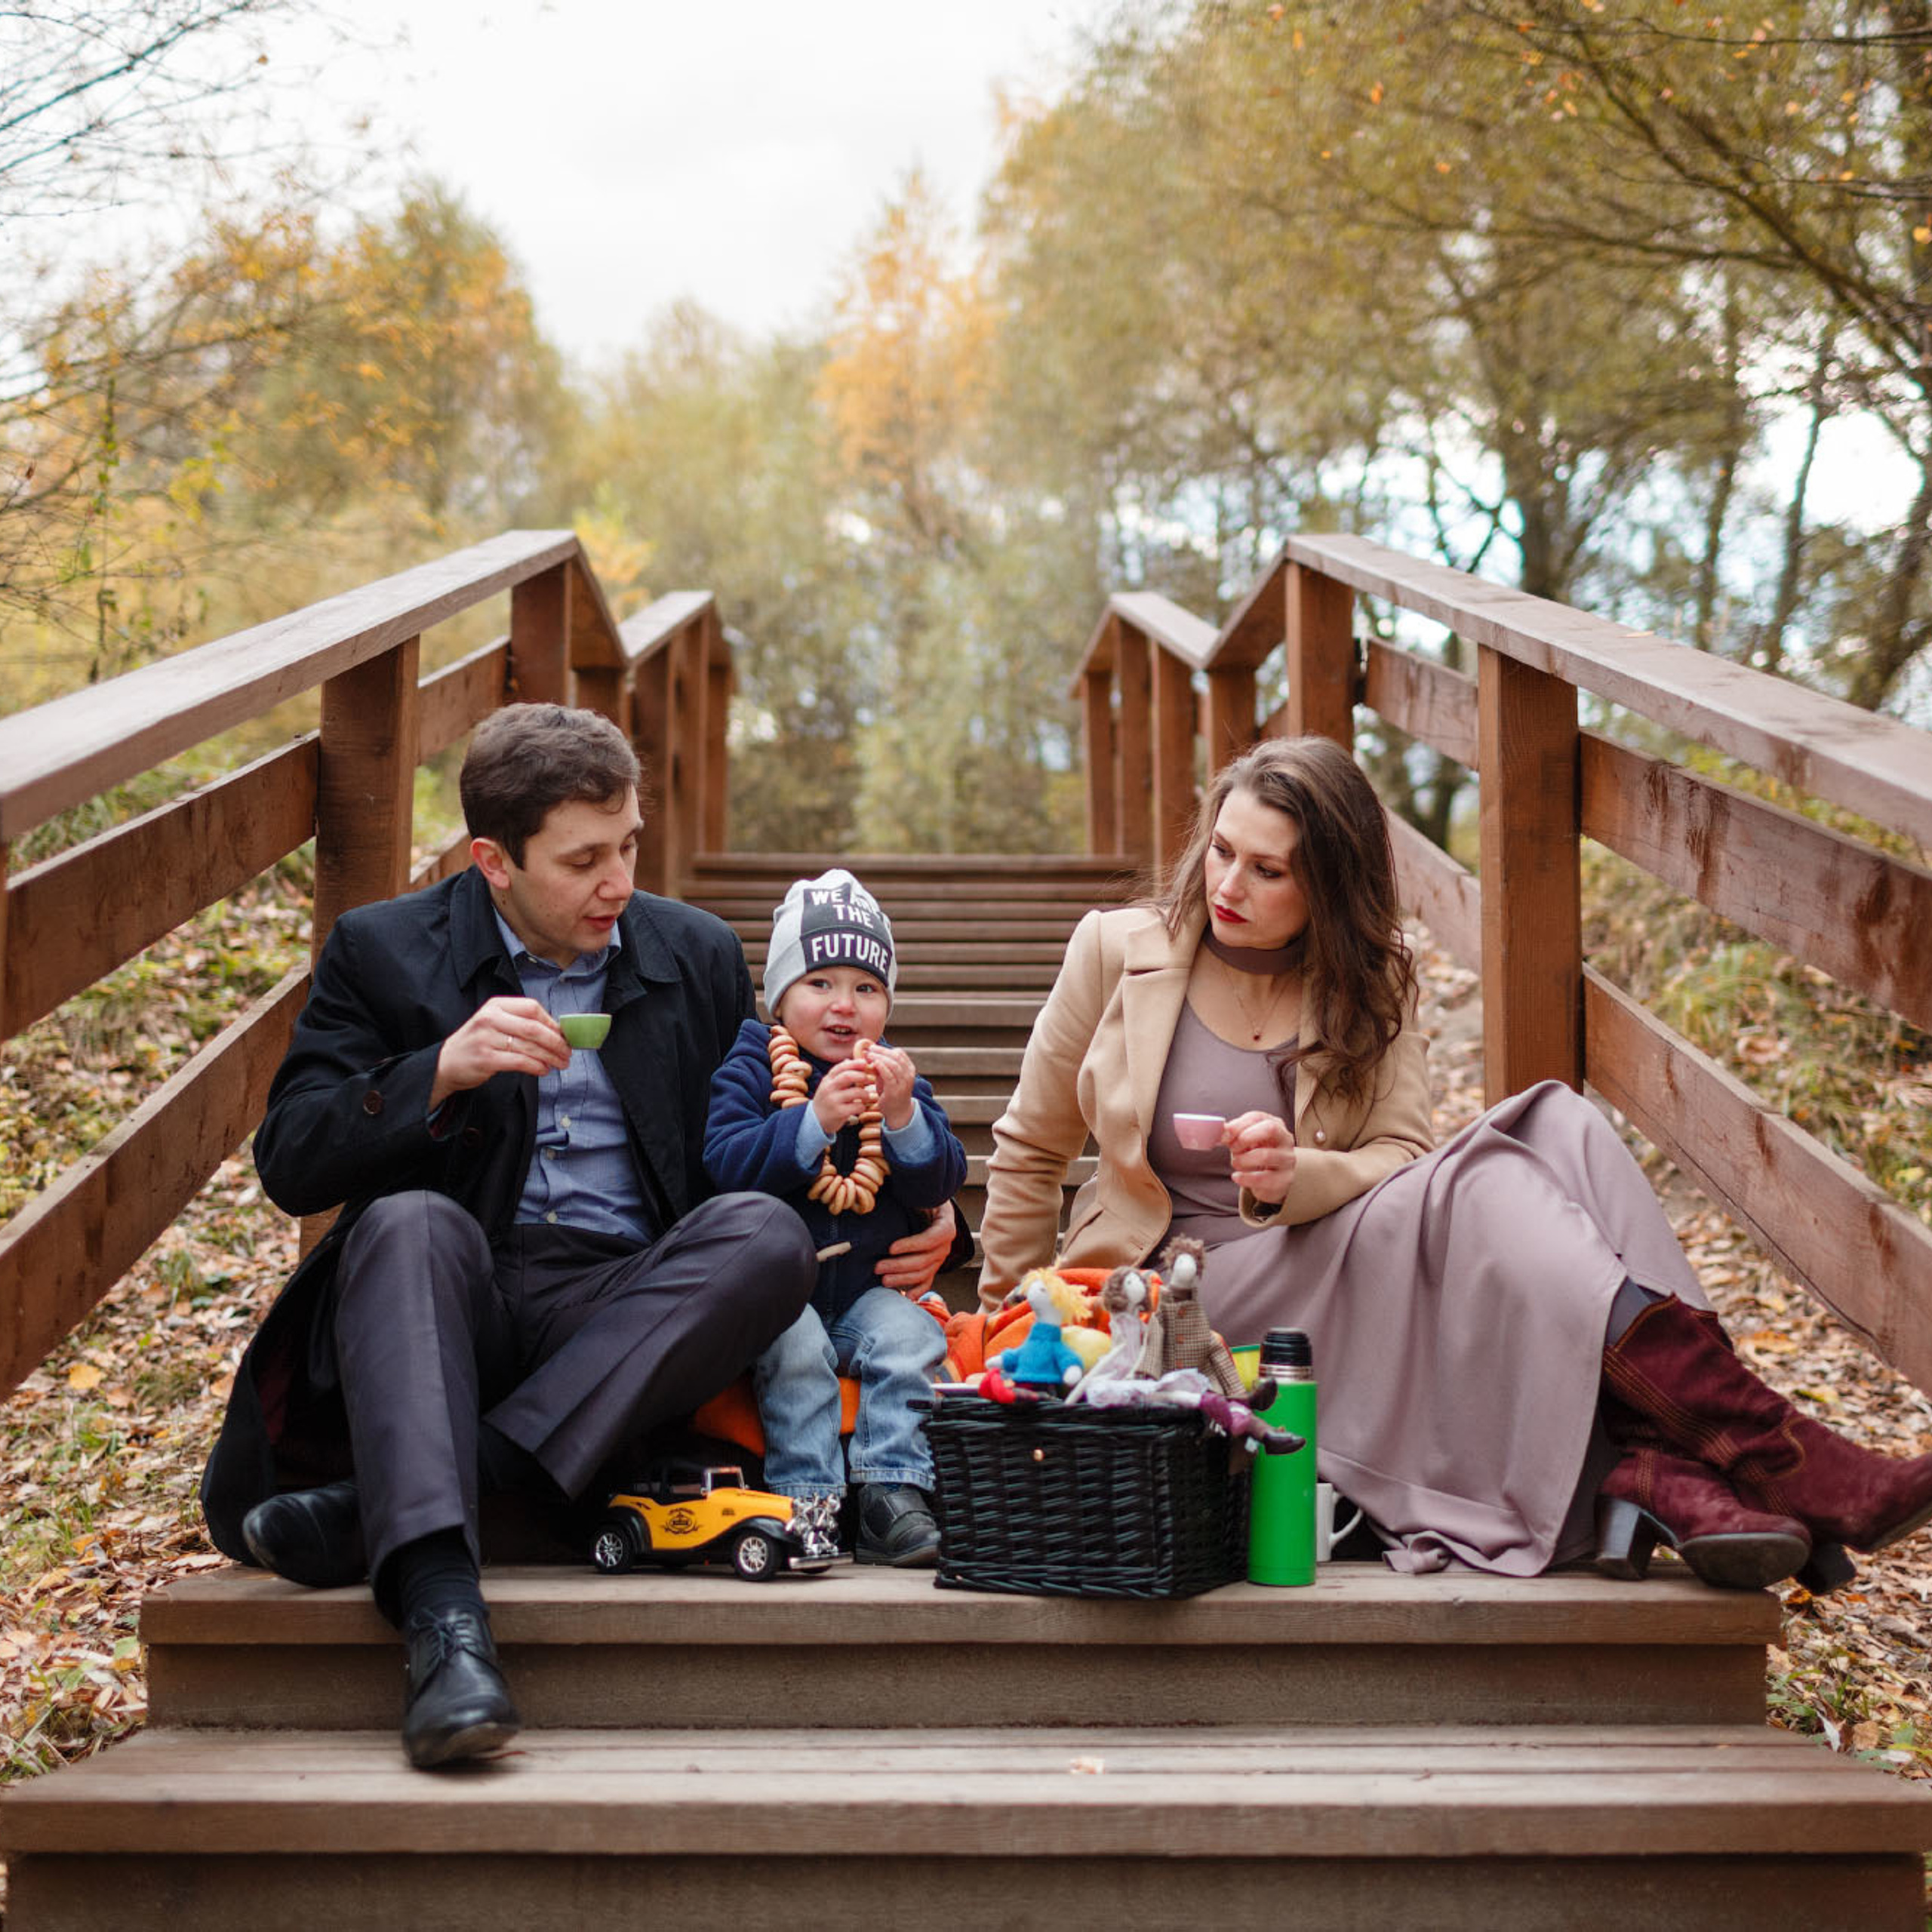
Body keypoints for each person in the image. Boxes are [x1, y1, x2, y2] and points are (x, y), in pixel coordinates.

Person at [977, 734, 1932, 1589]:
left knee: (1560, 1125)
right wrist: (1004, 1329)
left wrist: (1294, 1176)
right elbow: (1029, 1147)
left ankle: (1670, 1461)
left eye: (1268, 870)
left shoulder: (1371, 976)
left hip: (1333, 1250)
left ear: (1329, 886)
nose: (1228, 885)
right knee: (1493, 1175)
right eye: (1222, 851)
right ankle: (1753, 1453)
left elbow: (1400, 1152)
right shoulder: (1115, 950)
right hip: (1185, 1303)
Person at [200, 704, 958, 1770]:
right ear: (493, 863)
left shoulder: (687, 953)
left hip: (614, 1313)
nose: (619, 883)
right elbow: (291, 1160)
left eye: (631, 847)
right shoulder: (385, 950)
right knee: (412, 1223)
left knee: (758, 1238)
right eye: (585, 860)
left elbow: (752, 1144)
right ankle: (445, 1628)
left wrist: (933, 1207)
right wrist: (440, 1072)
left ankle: (405, 1502)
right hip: (442, 1297)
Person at [704, 869, 968, 1566]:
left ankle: (892, 1493)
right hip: (779, 1298)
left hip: (862, 1296)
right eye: (820, 984)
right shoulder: (751, 1066)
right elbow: (726, 1163)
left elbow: (943, 1178)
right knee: (797, 1355)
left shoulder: (896, 1081)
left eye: (866, 988)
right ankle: (806, 1501)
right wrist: (814, 1121)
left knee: (911, 1336)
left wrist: (906, 1115)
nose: (843, 1006)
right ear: (781, 995)